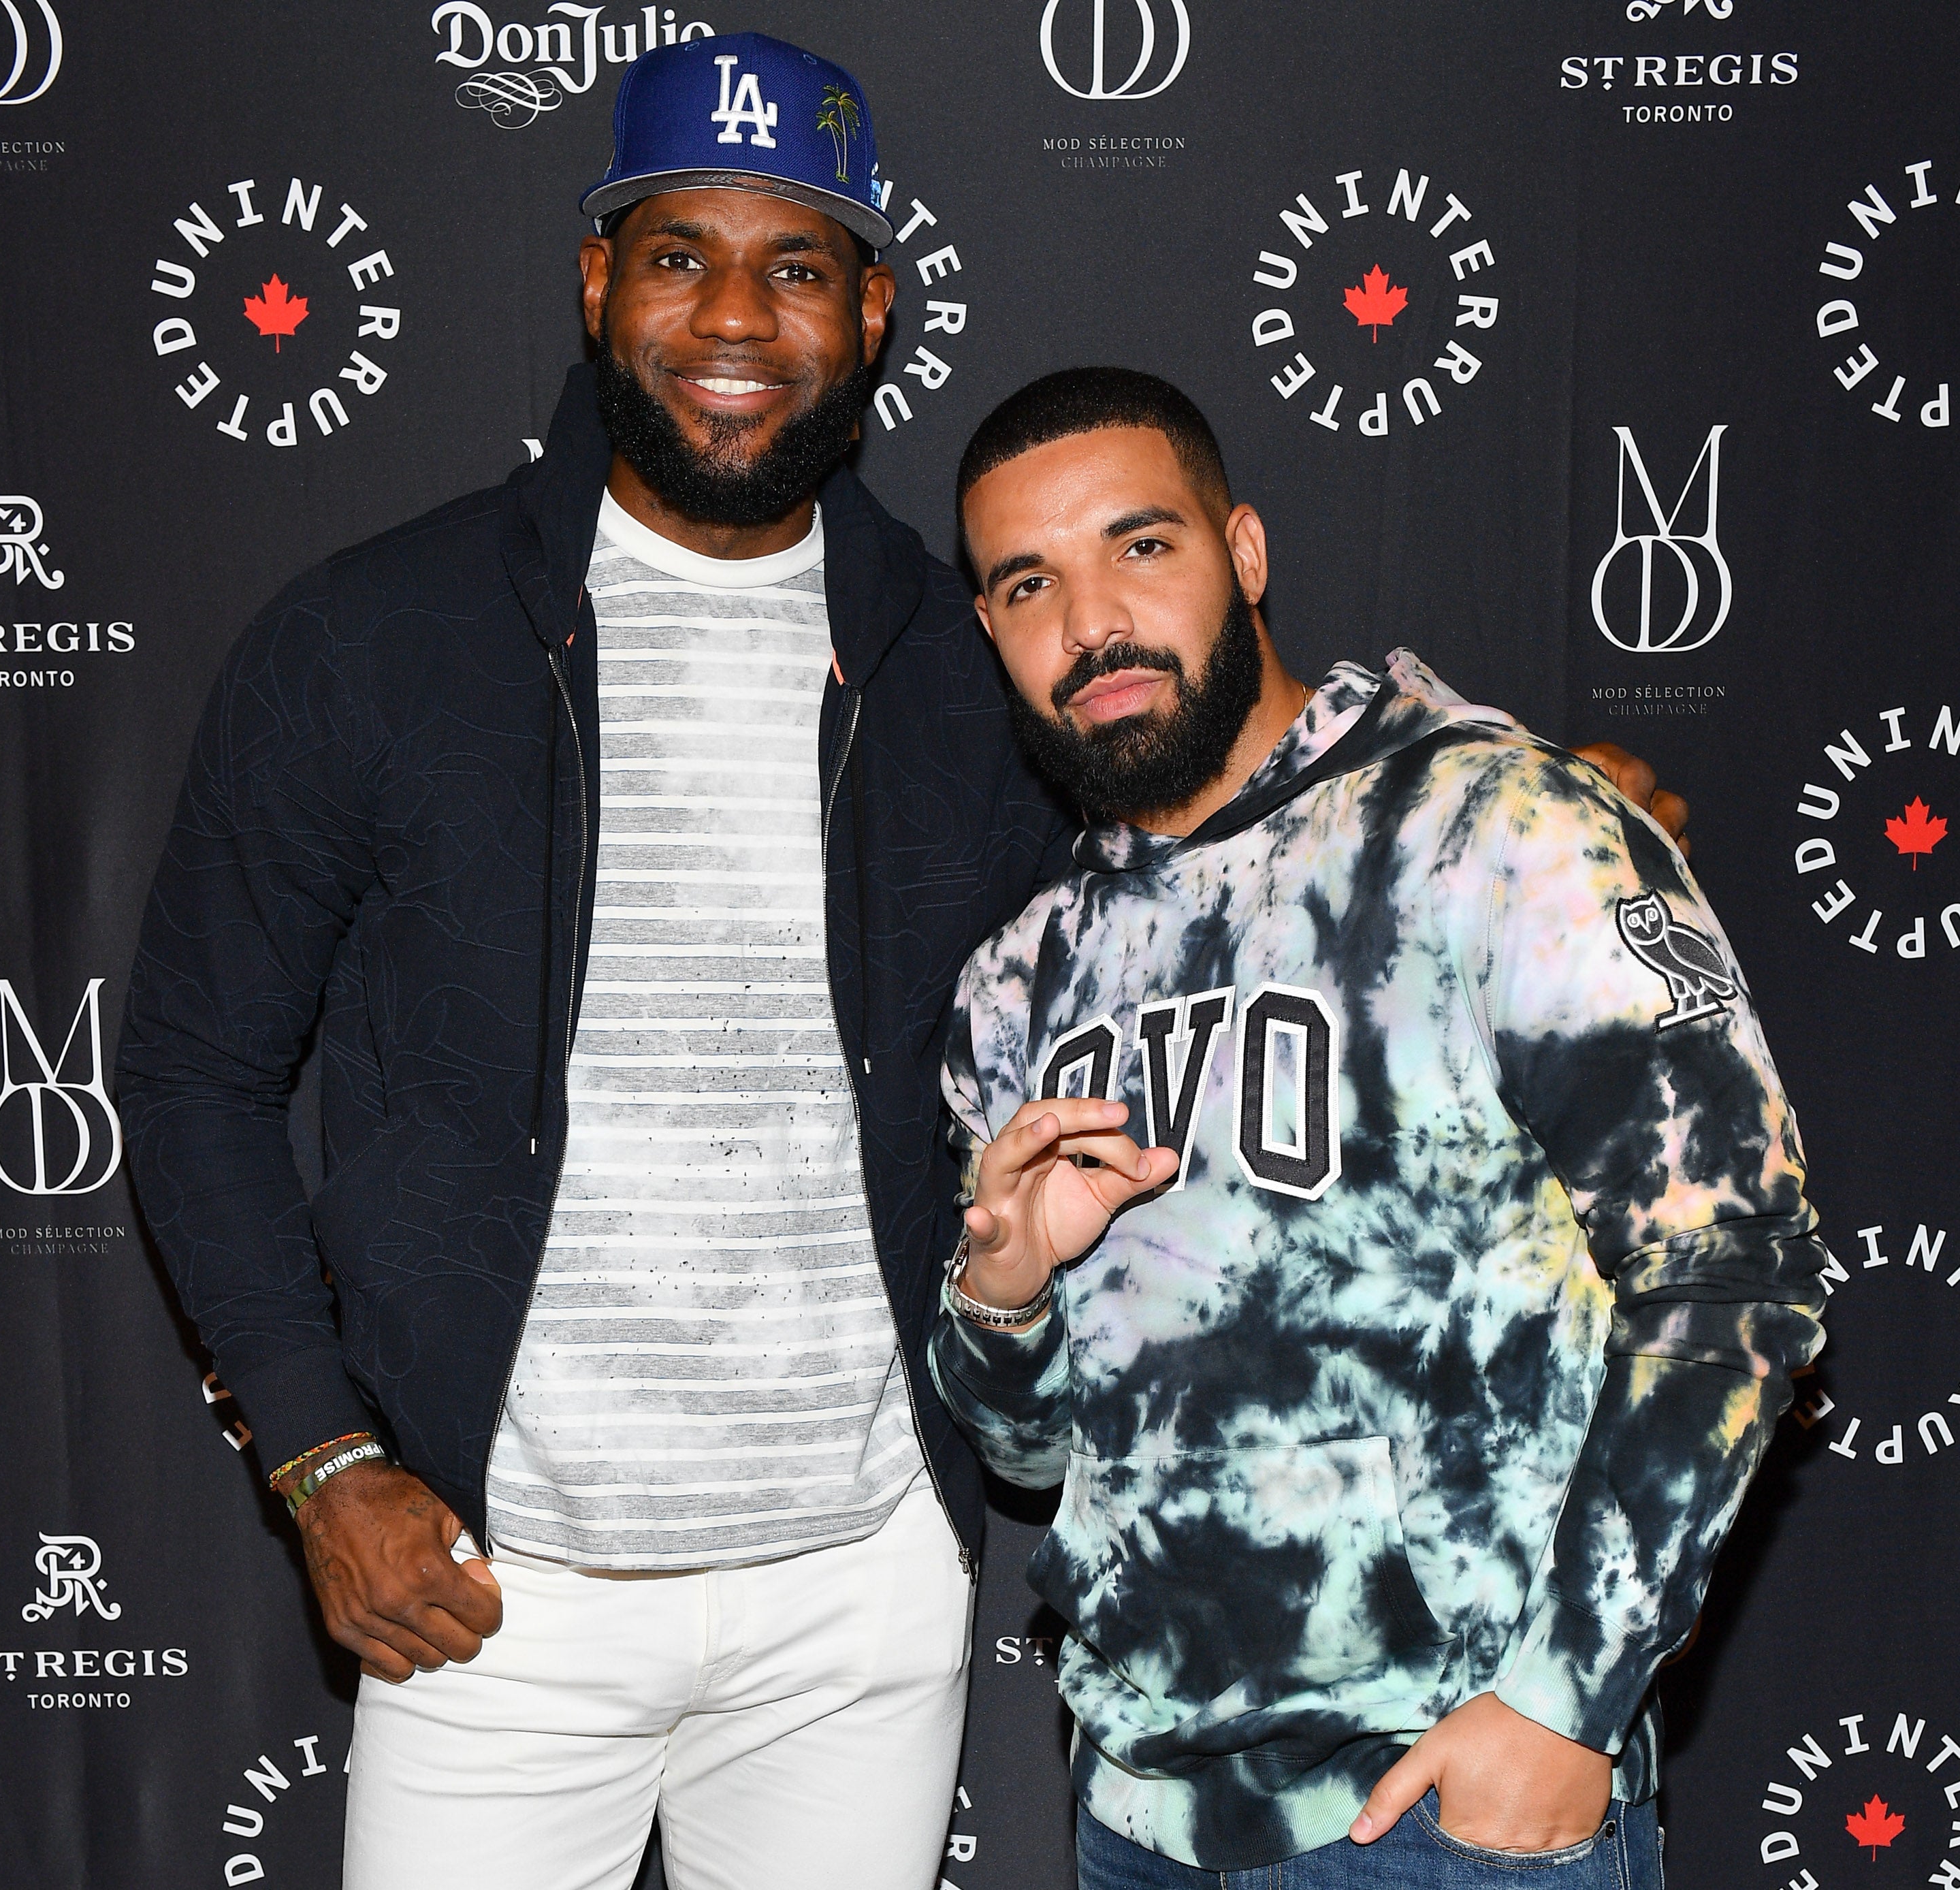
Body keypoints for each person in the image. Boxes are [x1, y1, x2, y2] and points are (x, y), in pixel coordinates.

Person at [119, 27, 1684, 1889]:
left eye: (797, 267)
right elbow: (196, 1066)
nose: (735, 316)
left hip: (859, 1602)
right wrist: (315, 1456)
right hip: (493, 1592)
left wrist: (1522, 811)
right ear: (597, 278)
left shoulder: (975, 660)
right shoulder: (368, 642)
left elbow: (1205, 845)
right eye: (681, 252)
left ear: (870, 312)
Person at [929, 367, 1827, 1890]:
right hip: (1138, 1810)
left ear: (1246, 551)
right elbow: (1027, 1450)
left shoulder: (1496, 827)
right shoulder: (1022, 974)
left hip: (1436, 1809)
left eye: (1142, 547)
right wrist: (1003, 1284)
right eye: (1032, 582)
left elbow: (1737, 1273)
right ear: (994, 631)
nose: (1093, 624)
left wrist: (1561, 1700)